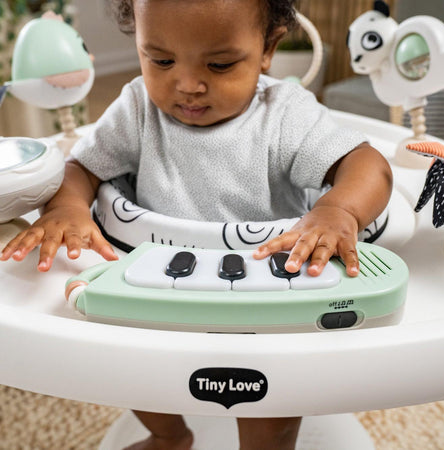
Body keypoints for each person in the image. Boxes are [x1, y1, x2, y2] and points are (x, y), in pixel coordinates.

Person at [1, 0, 393, 448]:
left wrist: (338, 210)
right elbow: (81, 168)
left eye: (220, 64)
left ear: (267, 48)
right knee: (129, 373)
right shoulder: (139, 107)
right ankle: (170, 437)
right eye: (161, 60)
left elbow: (368, 165)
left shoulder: (285, 113)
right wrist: (67, 209)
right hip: (152, 290)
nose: (187, 84)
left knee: (272, 398)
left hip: (264, 302)